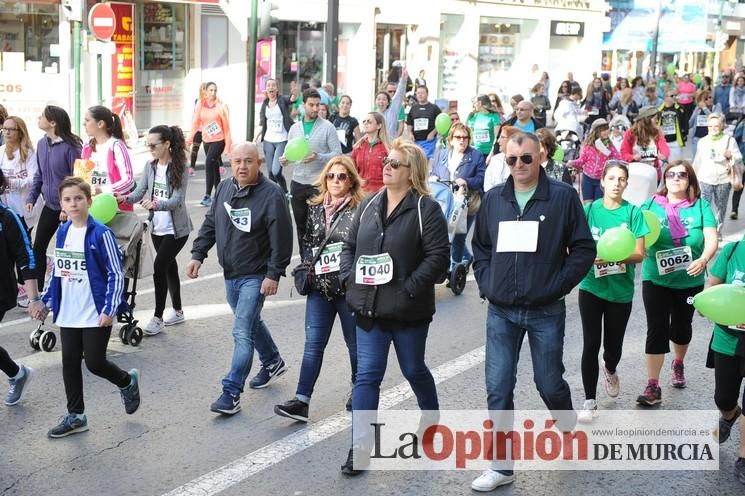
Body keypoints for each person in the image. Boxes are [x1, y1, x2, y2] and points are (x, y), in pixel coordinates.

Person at [470, 132, 595, 491]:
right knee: (497, 386)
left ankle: (565, 420)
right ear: (504, 161)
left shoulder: (562, 197)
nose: (520, 165)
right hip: (501, 311)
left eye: (526, 158)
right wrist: (487, 282)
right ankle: (501, 466)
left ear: (540, 156)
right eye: (512, 160)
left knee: (549, 382)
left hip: (545, 310)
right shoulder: (494, 200)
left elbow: (584, 249)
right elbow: (480, 248)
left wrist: (557, 285)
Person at [339, 138, 449, 475]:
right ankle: (360, 447)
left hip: (407, 311)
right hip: (369, 309)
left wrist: (409, 288)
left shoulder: (425, 209)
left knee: (413, 369)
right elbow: (349, 244)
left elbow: (438, 258)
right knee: (367, 377)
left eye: (395, 163)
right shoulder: (370, 203)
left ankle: (431, 416)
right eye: (386, 160)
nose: (387, 166)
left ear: (411, 172)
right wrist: (348, 278)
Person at [187, 142, 292, 415]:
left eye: (249, 161)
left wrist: (273, 274)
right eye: (237, 162)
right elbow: (211, 223)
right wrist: (198, 254)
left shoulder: (272, 194)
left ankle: (231, 392)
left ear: (259, 162)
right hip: (231, 273)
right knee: (251, 322)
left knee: (241, 330)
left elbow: (282, 239)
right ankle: (272, 361)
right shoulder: (224, 187)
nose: (242, 166)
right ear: (230, 164)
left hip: (256, 275)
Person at [35, 177, 140, 438]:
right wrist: (46, 302)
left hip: (95, 310)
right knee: (69, 362)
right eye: (68, 200)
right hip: (69, 310)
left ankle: (127, 381)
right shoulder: (62, 232)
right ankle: (76, 415)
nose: (73, 204)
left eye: (78, 199)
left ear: (89, 202)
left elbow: (116, 273)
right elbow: (57, 271)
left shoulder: (101, 233)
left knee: (94, 362)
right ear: (61, 204)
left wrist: (110, 308)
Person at [274, 156, 364, 422]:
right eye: (331, 176)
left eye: (342, 176)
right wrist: (306, 267)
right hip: (319, 290)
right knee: (313, 346)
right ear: (324, 179)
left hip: (348, 290)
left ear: (351, 181)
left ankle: (360, 391)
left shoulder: (360, 209)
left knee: (355, 346)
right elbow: (308, 241)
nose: (336, 181)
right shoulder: (314, 207)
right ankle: (302, 401)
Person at [636, 161, 718, 406]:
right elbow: (635, 232)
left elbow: (711, 238)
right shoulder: (650, 205)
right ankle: (653, 385)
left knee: (681, 328)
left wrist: (703, 259)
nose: (675, 178)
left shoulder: (701, 207)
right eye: (670, 174)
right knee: (656, 328)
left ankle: (678, 363)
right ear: (664, 179)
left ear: (689, 180)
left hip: (689, 279)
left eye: (681, 175)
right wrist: (640, 248)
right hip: (655, 278)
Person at [576, 161, 649, 423]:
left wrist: (611, 256)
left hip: (620, 291)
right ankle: (589, 401)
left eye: (622, 179)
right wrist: (592, 256)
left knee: (612, 347)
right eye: (612, 178)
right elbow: (576, 245)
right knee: (590, 343)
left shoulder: (633, 213)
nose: (617, 183)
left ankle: (611, 367)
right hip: (591, 286)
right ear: (603, 181)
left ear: (626, 184)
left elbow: (640, 253)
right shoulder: (590, 210)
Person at [117, 125, 193, 335]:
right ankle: (178, 311)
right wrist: (123, 198)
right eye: (147, 145)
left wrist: (155, 205)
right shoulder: (150, 166)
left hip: (177, 230)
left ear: (167, 144)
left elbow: (177, 200)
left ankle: (158, 317)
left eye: (153, 145)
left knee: (159, 267)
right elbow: (139, 191)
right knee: (169, 267)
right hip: (157, 228)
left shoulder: (180, 167)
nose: (150, 148)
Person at [26, 106, 82, 292]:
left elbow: (77, 179)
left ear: (53, 123)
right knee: (38, 247)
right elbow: (39, 175)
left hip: (70, 209)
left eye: (42, 116)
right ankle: (40, 291)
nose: (38, 118)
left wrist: (67, 209)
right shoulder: (42, 144)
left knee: (69, 251)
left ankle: (71, 290)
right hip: (50, 206)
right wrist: (32, 197)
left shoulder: (72, 146)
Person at [1, 168, 43, 407]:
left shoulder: (7, 218)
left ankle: (17, 374)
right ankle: (17, 374)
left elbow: (25, 258)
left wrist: (34, 297)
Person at [281, 88, 343, 243]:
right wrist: (285, 160)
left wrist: (319, 157)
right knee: (301, 227)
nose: (316, 109)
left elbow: (338, 154)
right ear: (303, 105)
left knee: (318, 228)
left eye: (318, 105)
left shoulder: (327, 127)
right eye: (311, 105)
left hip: (318, 184)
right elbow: (291, 153)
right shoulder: (295, 128)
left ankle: (317, 265)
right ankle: (304, 264)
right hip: (298, 184)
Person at [707, 239, 745, 487]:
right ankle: (730, 416)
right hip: (727, 339)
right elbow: (714, 287)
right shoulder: (732, 250)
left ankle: (743, 456)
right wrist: (707, 303)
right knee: (723, 398)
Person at [431, 123, 486, 270]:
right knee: (445, 234)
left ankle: (454, 267)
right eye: (458, 137)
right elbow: (434, 173)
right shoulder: (441, 155)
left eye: (465, 137)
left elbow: (481, 180)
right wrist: (434, 178)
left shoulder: (476, 156)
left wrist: (466, 181)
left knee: (458, 235)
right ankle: (467, 258)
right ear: (451, 139)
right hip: (444, 200)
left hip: (466, 202)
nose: (462, 140)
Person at [692, 113, 742, 233]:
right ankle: (705, 229)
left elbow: (739, 156)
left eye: (716, 126)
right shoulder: (702, 141)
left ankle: (718, 229)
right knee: (704, 205)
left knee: (721, 207)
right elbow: (698, 160)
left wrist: (731, 155)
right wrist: (693, 176)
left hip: (723, 179)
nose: (712, 129)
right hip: (705, 178)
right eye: (710, 126)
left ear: (722, 126)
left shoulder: (730, 140)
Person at [81, 106, 135, 211]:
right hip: (92, 207)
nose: (84, 124)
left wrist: (102, 190)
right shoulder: (87, 147)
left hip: (116, 208)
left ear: (100, 124)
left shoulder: (117, 146)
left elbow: (129, 180)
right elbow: (81, 177)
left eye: (87, 120)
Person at [188, 82, 232, 207]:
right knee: (214, 167)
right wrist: (189, 140)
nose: (213, 93)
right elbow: (195, 123)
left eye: (215, 90)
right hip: (207, 140)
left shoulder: (221, 106)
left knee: (208, 163)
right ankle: (219, 194)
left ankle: (207, 195)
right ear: (205, 92)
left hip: (219, 140)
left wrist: (228, 146)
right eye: (211, 90)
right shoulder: (200, 105)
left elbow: (227, 127)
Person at [570, 118, 622, 204]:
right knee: (588, 205)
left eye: (606, 129)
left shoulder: (610, 146)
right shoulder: (587, 146)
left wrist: (607, 152)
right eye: (603, 130)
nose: (606, 131)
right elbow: (582, 161)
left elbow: (619, 159)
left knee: (597, 205)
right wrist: (572, 163)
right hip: (587, 179)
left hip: (601, 180)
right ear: (596, 132)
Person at [257, 78, 294, 194]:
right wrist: (255, 139)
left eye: (273, 85)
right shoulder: (264, 103)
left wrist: (294, 92)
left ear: (277, 89)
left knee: (276, 170)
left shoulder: (282, 100)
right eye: (269, 85)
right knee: (270, 173)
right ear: (266, 89)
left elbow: (292, 99)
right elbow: (262, 122)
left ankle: (284, 192)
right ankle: (272, 197)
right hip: (268, 140)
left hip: (281, 139)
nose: (271, 87)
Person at [620, 106, 669, 178]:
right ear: (647, 120)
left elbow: (664, 146)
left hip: (653, 172)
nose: (656, 121)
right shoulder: (630, 133)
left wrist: (664, 155)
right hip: (635, 173)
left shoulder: (657, 132)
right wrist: (633, 157)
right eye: (655, 119)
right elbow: (624, 152)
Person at [351, 112, 391, 194]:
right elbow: (351, 168)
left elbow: (394, 172)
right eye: (364, 121)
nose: (365, 123)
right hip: (360, 192)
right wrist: (358, 180)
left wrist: (385, 188)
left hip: (381, 192)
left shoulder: (387, 148)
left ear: (379, 126)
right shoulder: (358, 146)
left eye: (369, 121)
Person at [406, 86, 441, 159]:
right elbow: (409, 123)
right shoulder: (413, 108)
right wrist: (410, 134)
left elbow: (440, 123)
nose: (420, 95)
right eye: (418, 93)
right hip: (415, 141)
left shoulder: (434, 108)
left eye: (422, 93)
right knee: (415, 162)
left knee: (424, 161)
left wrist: (433, 133)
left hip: (429, 141)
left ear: (427, 94)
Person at [483, 126, 520, 192]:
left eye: (502, 137)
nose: (498, 140)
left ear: (512, 140)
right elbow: (487, 184)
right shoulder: (495, 159)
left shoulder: (521, 161)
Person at [375, 68, 408, 139]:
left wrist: (403, 80)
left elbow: (399, 94)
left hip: (390, 144)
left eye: (384, 100)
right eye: (379, 99)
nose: (381, 102)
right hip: (377, 145)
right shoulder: (373, 113)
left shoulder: (393, 110)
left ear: (388, 102)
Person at [689, 90, 721, 157]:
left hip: (710, 138)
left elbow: (714, 119)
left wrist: (705, 108)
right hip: (697, 138)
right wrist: (696, 110)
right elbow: (690, 124)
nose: (709, 100)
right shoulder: (698, 109)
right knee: (696, 160)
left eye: (710, 97)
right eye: (706, 99)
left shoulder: (716, 107)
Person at [657, 90, 688, 162]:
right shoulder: (659, 110)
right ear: (665, 97)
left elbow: (685, 122)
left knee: (676, 163)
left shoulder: (680, 108)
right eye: (671, 96)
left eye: (675, 95)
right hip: (663, 142)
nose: (674, 97)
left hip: (676, 142)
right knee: (663, 167)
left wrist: (684, 134)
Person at [188, 83, 209, 177]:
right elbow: (194, 115)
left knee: (209, 150)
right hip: (198, 130)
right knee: (195, 148)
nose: (204, 90)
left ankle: (217, 167)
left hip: (208, 130)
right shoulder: (197, 101)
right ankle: (192, 168)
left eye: (206, 88)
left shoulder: (212, 102)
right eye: (203, 89)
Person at [733, 115, 745, 219]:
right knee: (739, 186)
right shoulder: (742, 125)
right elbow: (735, 140)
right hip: (742, 161)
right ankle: (734, 210)